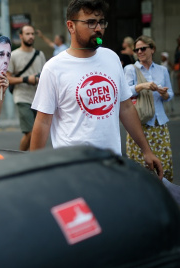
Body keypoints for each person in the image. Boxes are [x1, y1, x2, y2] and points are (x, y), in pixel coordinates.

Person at [30, 0, 163, 179]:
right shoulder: (53, 68)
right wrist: (33, 169)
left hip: (112, 165)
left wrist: (146, 150)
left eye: (101, 22)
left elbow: (125, 107)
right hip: (74, 169)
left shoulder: (111, 58)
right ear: (71, 26)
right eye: (91, 22)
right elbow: (43, 122)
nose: (98, 28)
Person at [124, 35, 174, 182]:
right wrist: (142, 86)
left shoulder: (162, 70)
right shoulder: (131, 69)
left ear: (152, 49)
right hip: (139, 124)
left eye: (143, 48)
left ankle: (164, 199)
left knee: (164, 165)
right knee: (141, 169)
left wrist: (164, 94)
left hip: (159, 124)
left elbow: (170, 94)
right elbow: (125, 93)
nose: (139, 52)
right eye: (137, 49)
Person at [6, 25, 46, 151]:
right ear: (21, 36)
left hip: (38, 99)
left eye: (32, 34)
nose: (31, 37)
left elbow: (46, 75)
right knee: (29, 133)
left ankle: (33, 159)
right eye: (27, 34)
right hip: (22, 97)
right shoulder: (13, 55)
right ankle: (20, 158)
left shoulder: (40, 55)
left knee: (38, 134)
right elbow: (6, 79)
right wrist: (26, 79)